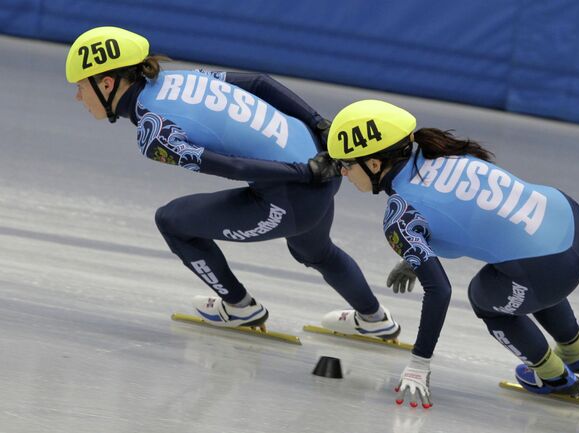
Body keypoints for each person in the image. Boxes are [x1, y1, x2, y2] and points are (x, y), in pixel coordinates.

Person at [65, 27, 400, 339]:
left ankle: (239, 307)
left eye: (81, 87)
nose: (79, 99)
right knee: (315, 250)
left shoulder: (153, 131)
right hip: (322, 158)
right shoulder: (180, 78)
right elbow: (257, 82)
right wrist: (319, 125)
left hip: (297, 189)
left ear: (106, 83)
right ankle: (375, 319)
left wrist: (303, 173)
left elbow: (234, 167)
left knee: (171, 221)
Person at [325, 99, 579, 408]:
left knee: (485, 297)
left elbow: (439, 290)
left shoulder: (400, 212)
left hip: (549, 269)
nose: (343, 172)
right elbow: (468, 216)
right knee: (521, 268)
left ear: (374, 164)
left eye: (346, 164)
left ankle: (553, 376)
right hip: (573, 224)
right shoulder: (437, 150)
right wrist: (414, 256)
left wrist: (419, 362)